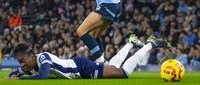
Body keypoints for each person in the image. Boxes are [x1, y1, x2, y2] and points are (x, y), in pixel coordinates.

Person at [2, 35, 170, 80]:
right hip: (79, 68)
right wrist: (14, 75)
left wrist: (20, 80)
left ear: (32, 56)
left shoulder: (43, 58)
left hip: (83, 68)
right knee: (113, 67)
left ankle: (151, 44)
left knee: (123, 74)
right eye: (20, 63)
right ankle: (131, 43)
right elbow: (13, 74)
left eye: (23, 61)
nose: (22, 65)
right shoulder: (29, 66)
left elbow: (43, 77)